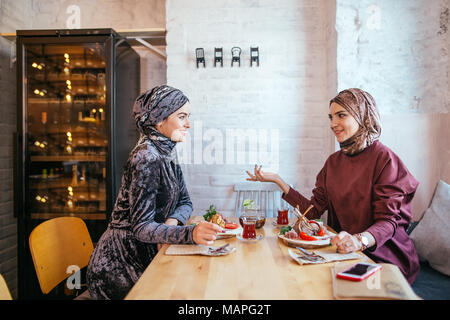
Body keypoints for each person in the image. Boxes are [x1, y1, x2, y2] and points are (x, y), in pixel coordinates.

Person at [246, 88, 420, 284]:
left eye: (341, 115)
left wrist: (359, 241)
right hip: (346, 255)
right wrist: (277, 180)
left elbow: (388, 222)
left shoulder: (384, 159)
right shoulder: (333, 162)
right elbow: (312, 212)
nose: (333, 124)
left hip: (385, 259)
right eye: (331, 117)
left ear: (362, 115)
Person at [87, 85, 222, 299]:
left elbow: (186, 202)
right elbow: (141, 228)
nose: (188, 123)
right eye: (182, 116)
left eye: (188, 116)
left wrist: (171, 223)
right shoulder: (145, 158)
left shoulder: (167, 153)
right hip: (120, 265)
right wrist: (190, 233)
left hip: (149, 254)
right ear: (160, 120)